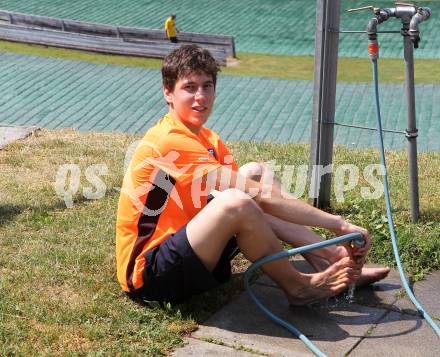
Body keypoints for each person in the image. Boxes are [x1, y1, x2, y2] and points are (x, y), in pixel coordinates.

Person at [115, 44, 390, 305]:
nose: (200, 96)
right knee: (240, 200)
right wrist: (338, 225)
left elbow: (255, 195)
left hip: (187, 247)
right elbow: (255, 200)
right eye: (189, 87)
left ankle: (330, 257)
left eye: (207, 86)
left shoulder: (208, 138)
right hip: (150, 273)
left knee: (256, 174)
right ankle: (299, 288)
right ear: (168, 93)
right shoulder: (168, 140)